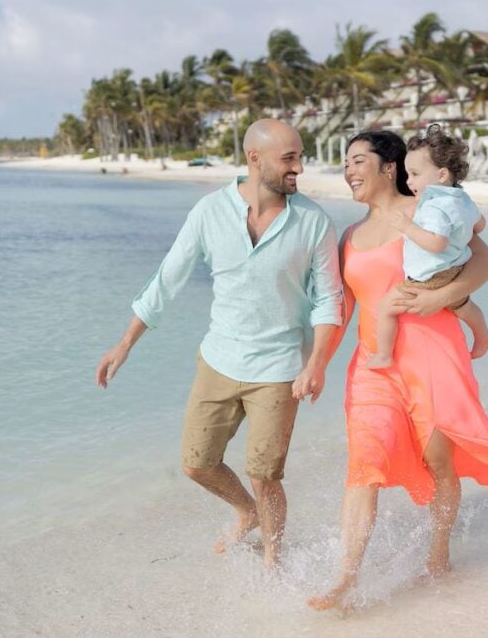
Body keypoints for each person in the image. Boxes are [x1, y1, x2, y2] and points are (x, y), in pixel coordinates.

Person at [95, 119, 343, 568]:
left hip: (280, 367)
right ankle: (245, 512)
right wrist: (124, 343)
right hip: (219, 360)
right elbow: (167, 278)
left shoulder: (312, 221)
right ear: (255, 158)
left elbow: (330, 300)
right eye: (290, 158)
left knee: (265, 474)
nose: (299, 167)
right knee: (196, 463)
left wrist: (317, 364)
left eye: (299, 157)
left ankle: (273, 556)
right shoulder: (209, 211)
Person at [309, 130, 488, 610]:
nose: (347, 171)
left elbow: (485, 260)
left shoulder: (426, 210)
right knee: (364, 463)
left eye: (356, 161)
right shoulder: (349, 237)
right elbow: (340, 309)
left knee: (438, 462)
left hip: (432, 355)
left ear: (388, 168)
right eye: (344, 163)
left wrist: (439, 297)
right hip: (374, 363)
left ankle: (438, 555)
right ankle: (345, 577)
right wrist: (316, 364)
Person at [365, 124, 488, 370]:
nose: (409, 181)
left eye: (414, 174)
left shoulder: (434, 205)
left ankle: (383, 354)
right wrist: (462, 229)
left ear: (441, 175)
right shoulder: (462, 198)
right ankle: (483, 335)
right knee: (462, 304)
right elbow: (481, 225)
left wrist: (407, 226)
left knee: (386, 306)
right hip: (456, 266)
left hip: (432, 273)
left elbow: (436, 243)